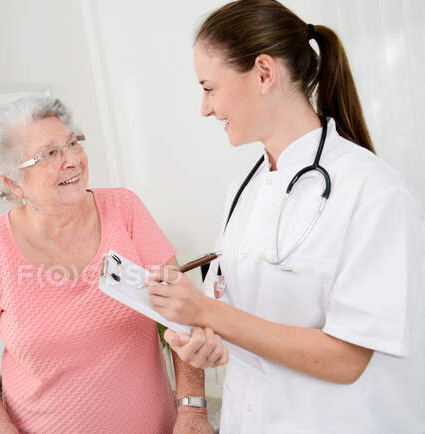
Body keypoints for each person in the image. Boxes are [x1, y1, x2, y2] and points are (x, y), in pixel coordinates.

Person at [146, 1, 424, 433]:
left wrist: (209, 313)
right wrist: (206, 339)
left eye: (209, 87)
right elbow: (242, 313)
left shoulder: (373, 191)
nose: (204, 108)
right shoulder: (247, 185)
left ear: (263, 73)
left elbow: (347, 359)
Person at [0, 96, 227, 433]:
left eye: (72, 143)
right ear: (12, 182)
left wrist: (192, 410)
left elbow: (181, 312)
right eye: (50, 154)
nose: (72, 160)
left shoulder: (124, 210)